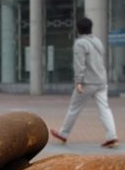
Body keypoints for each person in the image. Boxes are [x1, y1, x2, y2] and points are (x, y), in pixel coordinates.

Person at [50, 17, 119, 148]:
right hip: (101, 81)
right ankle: (112, 136)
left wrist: (78, 82)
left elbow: (79, 64)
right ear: (90, 28)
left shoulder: (80, 43)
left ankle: (63, 134)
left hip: (88, 82)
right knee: (105, 109)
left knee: (74, 108)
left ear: (78, 29)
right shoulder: (97, 41)